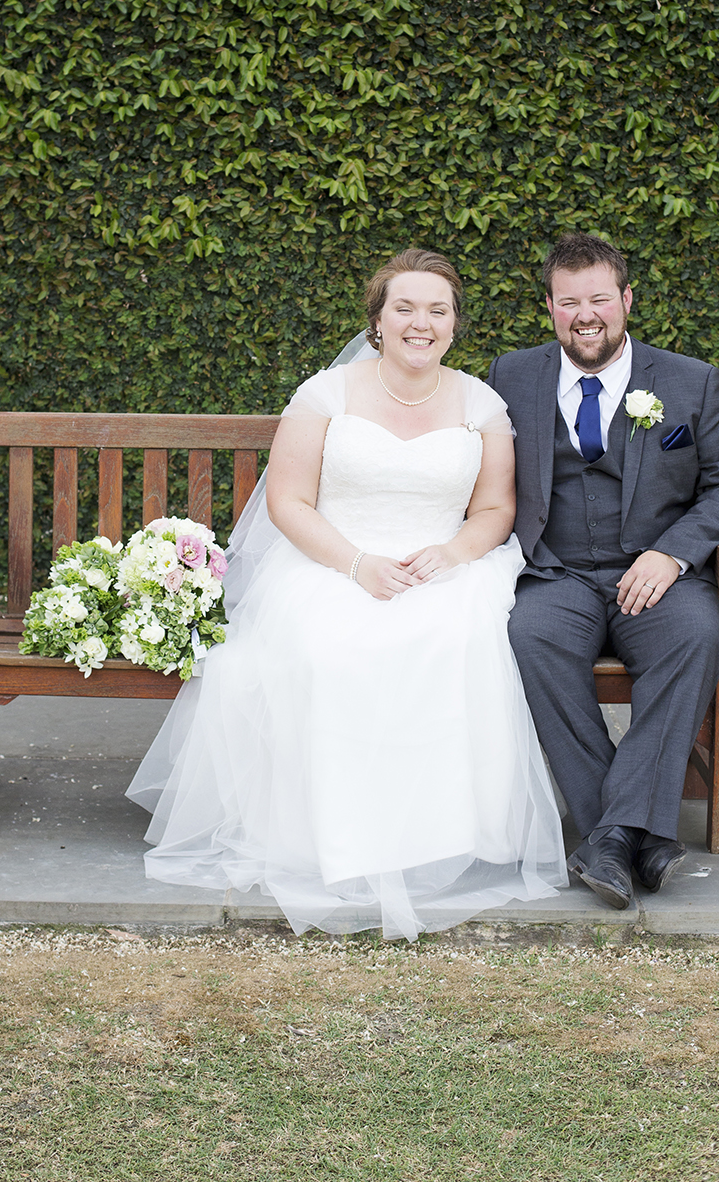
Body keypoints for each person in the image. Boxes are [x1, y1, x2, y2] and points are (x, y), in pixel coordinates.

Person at [127, 248, 566, 941]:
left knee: (458, 639)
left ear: (455, 324)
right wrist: (356, 564)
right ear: (378, 321)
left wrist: (450, 555)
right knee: (329, 644)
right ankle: (330, 839)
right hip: (332, 561)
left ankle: (438, 834)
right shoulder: (324, 396)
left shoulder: (482, 403)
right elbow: (290, 501)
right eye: (406, 308)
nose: (422, 323)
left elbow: (494, 511)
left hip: (441, 566)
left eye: (438, 310)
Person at [489, 232, 719, 911]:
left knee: (692, 637)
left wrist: (671, 552)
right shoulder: (510, 376)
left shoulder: (688, 380)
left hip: (657, 576)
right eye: (569, 301)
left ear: (626, 300)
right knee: (531, 639)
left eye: (600, 298)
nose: (587, 315)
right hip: (556, 574)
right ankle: (636, 831)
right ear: (550, 308)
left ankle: (607, 838)